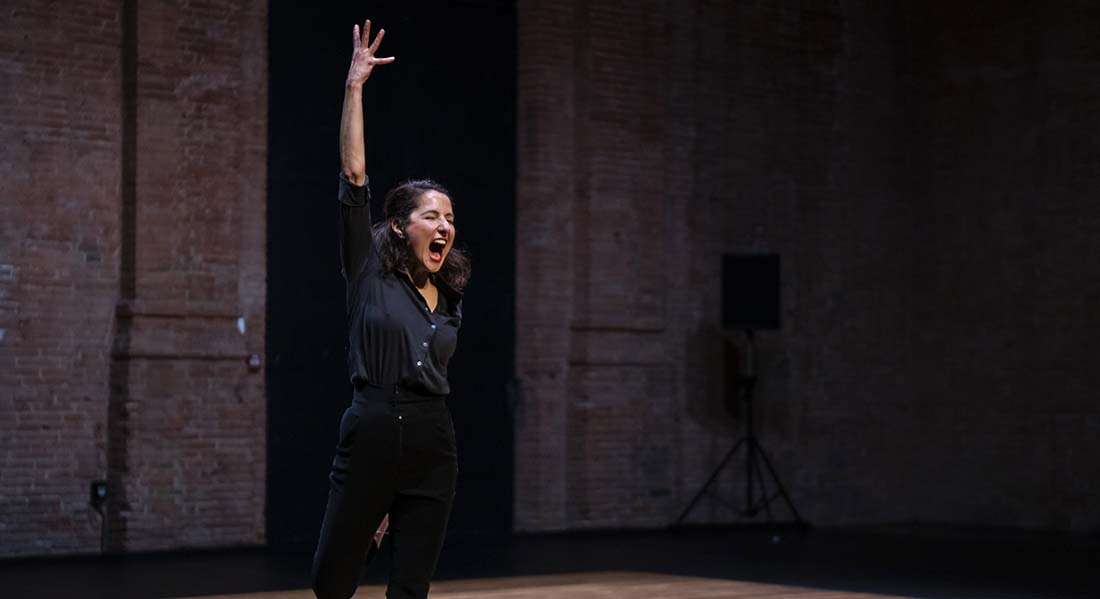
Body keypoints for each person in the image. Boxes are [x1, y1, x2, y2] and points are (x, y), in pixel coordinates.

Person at [311, 18, 471, 599]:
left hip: (433, 439)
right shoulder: (367, 271)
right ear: (401, 226)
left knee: (411, 589)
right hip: (374, 427)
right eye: (433, 215)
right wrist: (355, 86)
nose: (445, 226)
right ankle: (367, 525)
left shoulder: (448, 294)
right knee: (331, 582)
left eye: (450, 218)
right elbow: (354, 176)